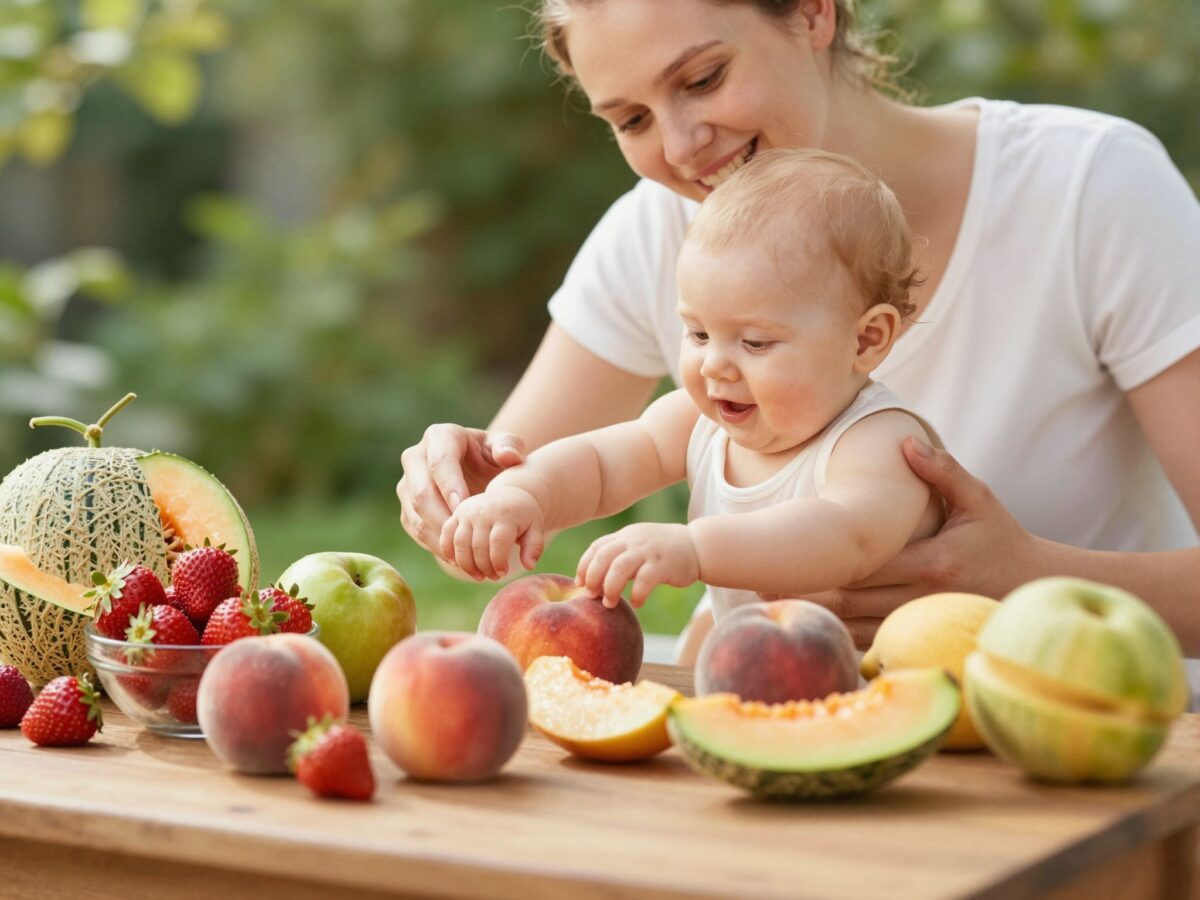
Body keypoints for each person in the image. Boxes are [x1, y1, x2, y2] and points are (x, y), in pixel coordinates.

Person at [397, 0, 1200, 677]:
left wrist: (1024, 577)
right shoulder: (667, 234)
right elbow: (520, 507)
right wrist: (472, 497)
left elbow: (848, 524)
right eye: (632, 119)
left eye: (704, 79)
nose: (679, 149)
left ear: (815, 10)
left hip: (1091, 732)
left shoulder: (1089, 189)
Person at [439, 149, 944, 619]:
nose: (714, 366)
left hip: (894, 686)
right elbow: (601, 464)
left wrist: (696, 548)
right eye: (699, 333)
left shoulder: (878, 442)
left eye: (755, 343)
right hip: (773, 676)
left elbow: (844, 535)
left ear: (865, 340)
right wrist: (528, 494)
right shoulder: (699, 423)